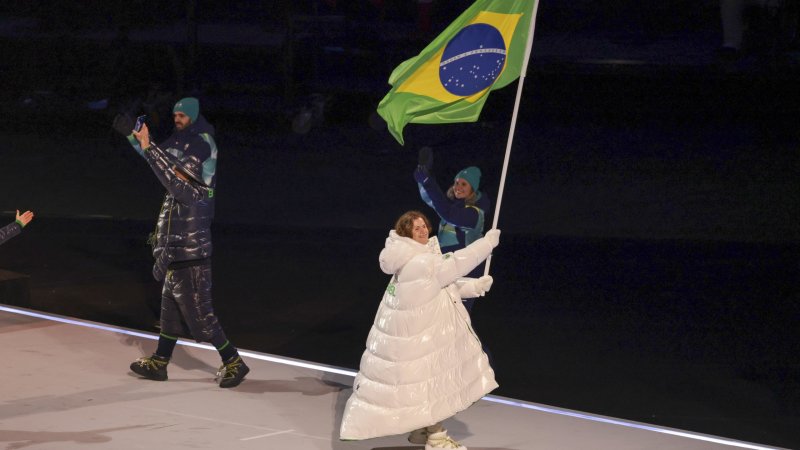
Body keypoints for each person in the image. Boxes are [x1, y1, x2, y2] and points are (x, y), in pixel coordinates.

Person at [114, 97, 248, 388]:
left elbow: (174, 178)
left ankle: (233, 361)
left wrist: (149, 146)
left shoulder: (202, 144)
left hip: (190, 247)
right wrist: (135, 138)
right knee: (169, 312)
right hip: (176, 246)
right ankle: (160, 361)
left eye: (182, 115)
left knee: (200, 315)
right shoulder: (181, 141)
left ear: (193, 116)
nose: (177, 119)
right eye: (175, 114)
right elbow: (158, 161)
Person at [339, 210, 499, 450]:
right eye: (417, 228)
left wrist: (474, 286)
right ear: (407, 234)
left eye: (424, 225)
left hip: (410, 339)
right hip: (419, 341)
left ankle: (422, 429)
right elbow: (456, 264)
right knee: (431, 388)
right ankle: (437, 439)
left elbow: (439, 286)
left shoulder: (409, 258)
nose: (423, 230)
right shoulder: (422, 262)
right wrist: (486, 244)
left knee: (421, 388)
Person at [413, 147, 491, 312]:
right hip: (446, 267)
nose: (458, 186)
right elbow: (430, 199)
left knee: (458, 316)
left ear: (473, 189)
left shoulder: (475, 214)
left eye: (464, 184)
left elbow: (449, 215)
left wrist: (428, 181)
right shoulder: (452, 206)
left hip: (466, 272)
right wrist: (422, 175)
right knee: (438, 315)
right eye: (456, 182)